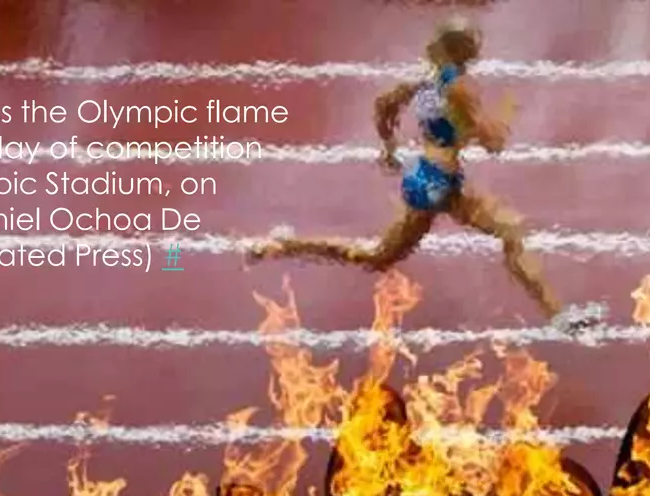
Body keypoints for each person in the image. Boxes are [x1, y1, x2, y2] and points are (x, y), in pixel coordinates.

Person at [250, 19, 596, 330]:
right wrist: (507, 110)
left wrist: (388, 147)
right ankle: (559, 316)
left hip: (430, 176)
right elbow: (494, 142)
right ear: (465, 50)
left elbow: (384, 105)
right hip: (438, 181)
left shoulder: (422, 80)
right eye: (474, 42)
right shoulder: (460, 88)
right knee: (508, 233)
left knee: (379, 255)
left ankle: (285, 245)